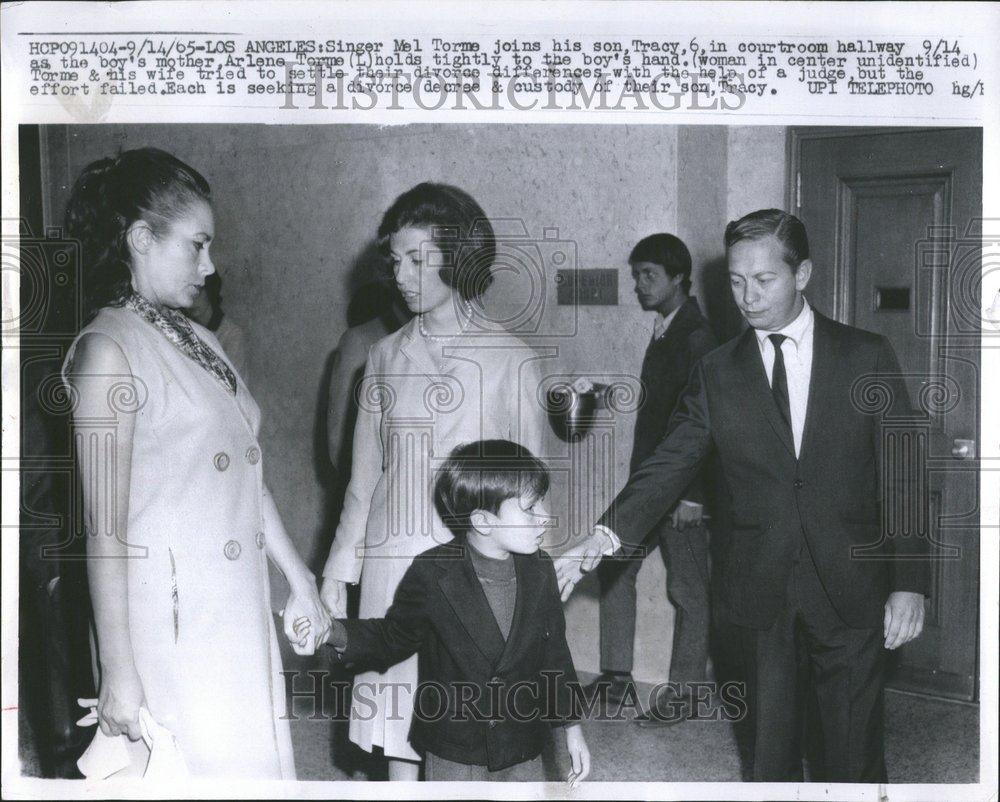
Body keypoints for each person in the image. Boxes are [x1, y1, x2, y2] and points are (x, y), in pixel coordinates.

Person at [556, 209, 929, 782]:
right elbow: (669, 463)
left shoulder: (866, 355)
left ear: (802, 274)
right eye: (735, 281)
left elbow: (902, 474)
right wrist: (601, 536)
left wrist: (909, 582)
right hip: (758, 593)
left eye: (763, 280)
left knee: (853, 757)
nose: (747, 297)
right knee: (769, 758)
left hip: (853, 588)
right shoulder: (716, 371)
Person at [62, 148, 328, 778]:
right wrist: (119, 670)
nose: (210, 267)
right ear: (140, 238)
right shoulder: (107, 350)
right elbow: (105, 532)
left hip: (232, 604)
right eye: (197, 246)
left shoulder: (199, 340)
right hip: (169, 621)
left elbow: (248, 477)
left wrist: (300, 579)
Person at [317, 183, 547, 780]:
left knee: (466, 733)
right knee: (396, 733)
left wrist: (534, 588)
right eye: (396, 261)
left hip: (474, 573)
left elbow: (529, 491)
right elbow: (362, 480)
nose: (402, 275)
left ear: (460, 259)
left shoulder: (513, 359)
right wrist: (339, 571)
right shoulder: (384, 357)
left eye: (419, 260)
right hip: (394, 566)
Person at [299, 440, 589, 784]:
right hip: (455, 750)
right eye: (530, 508)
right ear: (483, 521)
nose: (544, 517)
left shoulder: (540, 570)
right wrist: (332, 631)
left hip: (522, 743)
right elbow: (392, 638)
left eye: (541, 501)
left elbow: (555, 654)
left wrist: (573, 730)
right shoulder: (433, 573)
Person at [587, 234, 717, 724]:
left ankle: (683, 695)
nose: (639, 285)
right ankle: (618, 679)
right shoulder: (666, 329)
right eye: (636, 274)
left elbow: (708, 426)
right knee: (612, 564)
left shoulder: (698, 338)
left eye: (649, 276)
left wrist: (695, 496)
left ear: (679, 277)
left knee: (689, 592)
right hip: (649, 484)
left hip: (681, 491)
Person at [184, 272, 250, 382]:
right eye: (187, 293)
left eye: (198, 292)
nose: (192, 300)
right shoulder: (185, 328)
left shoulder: (231, 335)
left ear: (210, 292)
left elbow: (233, 385)